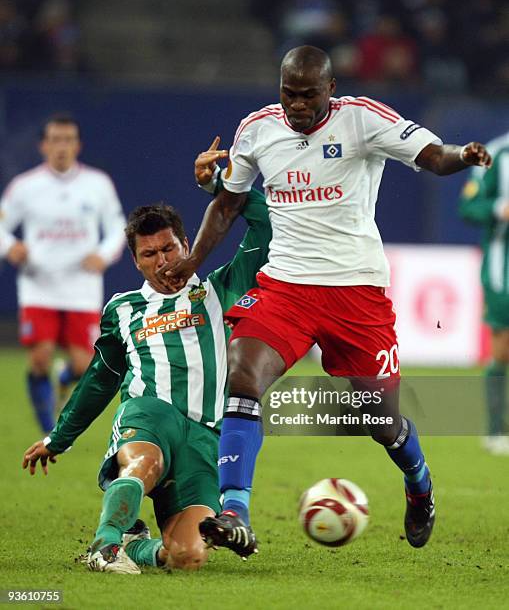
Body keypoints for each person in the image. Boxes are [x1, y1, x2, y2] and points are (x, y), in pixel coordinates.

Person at [165, 45, 492, 557]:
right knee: (243, 374)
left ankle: (419, 481)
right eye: (288, 94)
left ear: (330, 90)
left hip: (356, 291)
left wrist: (462, 157)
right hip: (286, 286)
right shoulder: (257, 129)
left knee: (381, 419)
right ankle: (234, 511)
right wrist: (192, 262)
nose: (296, 105)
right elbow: (227, 204)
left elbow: (432, 156)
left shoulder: (363, 120)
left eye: (308, 95)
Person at [21, 138, 272, 573]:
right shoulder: (123, 309)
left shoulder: (219, 289)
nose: (161, 261)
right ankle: (104, 546)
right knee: (145, 461)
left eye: (169, 249)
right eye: (149, 254)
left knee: (187, 556)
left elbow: (266, 228)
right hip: (149, 413)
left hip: (204, 435)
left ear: (187, 242)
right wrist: (57, 438)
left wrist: (222, 188)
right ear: (136, 261)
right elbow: (101, 379)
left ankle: (137, 545)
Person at [0, 113, 126, 434]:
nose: (62, 147)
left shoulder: (97, 184)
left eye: (68, 140)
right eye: (55, 140)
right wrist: (10, 246)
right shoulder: (25, 187)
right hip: (38, 284)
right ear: (44, 145)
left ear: (78, 145)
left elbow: (116, 228)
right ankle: (48, 427)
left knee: (85, 366)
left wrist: (103, 254)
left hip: (82, 287)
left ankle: (64, 379)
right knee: (40, 356)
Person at [459, 131, 509, 456]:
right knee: (503, 349)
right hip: (503, 268)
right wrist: (499, 209)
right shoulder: (497, 154)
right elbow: (468, 206)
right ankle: (495, 430)